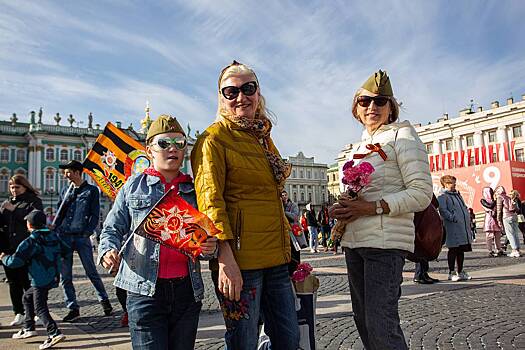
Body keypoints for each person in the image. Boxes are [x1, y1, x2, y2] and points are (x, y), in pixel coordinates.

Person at [191, 60, 300, 349]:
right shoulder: (213, 138)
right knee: (243, 341)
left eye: (248, 88)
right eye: (231, 91)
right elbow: (209, 201)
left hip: (277, 260)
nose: (241, 97)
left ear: (258, 92)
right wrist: (224, 257)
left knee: (289, 339)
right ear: (221, 97)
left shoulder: (263, 136)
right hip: (240, 262)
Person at [329, 70, 432, 350]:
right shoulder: (355, 148)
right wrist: (343, 208)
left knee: (380, 322)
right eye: (365, 102)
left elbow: (422, 193)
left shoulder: (404, 137)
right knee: (363, 319)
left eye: (380, 102)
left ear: (390, 108)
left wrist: (372, 207)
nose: (371, 107)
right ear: (356, 108)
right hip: (355, 242)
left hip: (385, 243)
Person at [99, 115, 217, 349]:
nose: (172, 148)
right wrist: (107, 251)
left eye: (180, 143)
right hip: (143, 291)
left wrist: (209, 247)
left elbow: (206, 243)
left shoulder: (196, 191)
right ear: (149, 149)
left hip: (186, 291)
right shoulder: (133, 186)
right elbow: (111, 229)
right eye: (164, 143)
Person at [53, 160, 112, 321]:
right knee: (66, 275)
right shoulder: (65, 190)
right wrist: (56, 230)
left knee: (91, 271)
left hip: (81, 236)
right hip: (64, 236)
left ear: (78, 172)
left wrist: (87, 232)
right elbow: (60, 212)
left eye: (68, 172)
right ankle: (72, 307)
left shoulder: (92, 191)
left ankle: (104, 300)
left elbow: (94, 214)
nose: (65, 175)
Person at [1, 210, 69, 349]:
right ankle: (28, 327)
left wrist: (4, 258)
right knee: (27, 297)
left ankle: (54, 333)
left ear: (29, 224)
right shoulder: (53, 236)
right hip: (52, 276)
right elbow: (66, 250)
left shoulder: (31, 241)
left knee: (40, 308)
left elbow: (15, 261)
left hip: (39, 279)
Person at [0, 174, 42, 326]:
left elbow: (36, 219)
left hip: (25, 246)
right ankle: (18, 312)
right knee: (13, 282)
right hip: (8, 247)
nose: (13, 190)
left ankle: (35, 311)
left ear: (25, 186)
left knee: (27, 281)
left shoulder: (33, 201)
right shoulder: (9, 202)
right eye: (11, 187)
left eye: (17, 187)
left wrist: (14, 211)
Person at [438, 175, 473, 281]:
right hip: (452, 227)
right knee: (453, 249)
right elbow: (443, 210)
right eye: (451, 183)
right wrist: (453, 218)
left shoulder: (458, 195)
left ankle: (460, 271)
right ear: (445, 184)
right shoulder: (442, 196)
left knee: (461, 249)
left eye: (454, 183)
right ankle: (451, 272)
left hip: (462, 226)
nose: (454, 185)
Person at [495, 186, 521, 257]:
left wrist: (499, 220)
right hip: (514, 216)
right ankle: (518, 250)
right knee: (515, 233)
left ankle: (514, 250)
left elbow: (499, 210)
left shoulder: (500, 197)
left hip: (507, 217)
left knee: (510, 234)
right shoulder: (508, 197)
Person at [281, 190, 301, 275]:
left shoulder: (293, 206)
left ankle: (296, 269)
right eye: (282, 195)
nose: (284, 197)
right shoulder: (279, 206)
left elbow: (295, 217)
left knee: (295, 251)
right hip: (283, 232)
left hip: (293, 232)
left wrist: (284, 213)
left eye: (285, 195)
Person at [480, 187, 503, 257]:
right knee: (489, 236)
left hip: (495, 218)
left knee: (498, 235)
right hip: (489, 219)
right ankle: (490, 250)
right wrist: (496, 200)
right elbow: (490, 206)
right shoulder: (483, 200)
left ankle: (499, 249)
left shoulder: (494, 199)